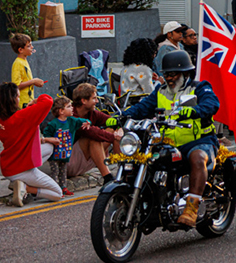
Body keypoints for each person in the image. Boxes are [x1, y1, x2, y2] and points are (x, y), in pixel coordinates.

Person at [111, 50, 219, 227]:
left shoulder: (200, 87)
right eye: (166, 74)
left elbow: (212, 103)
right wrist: (121, 116)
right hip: (168, 142)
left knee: (198, 157)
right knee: (147, 160)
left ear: (185, 73)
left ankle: (191, 208)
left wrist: (194, 111)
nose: (169, 78)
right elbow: (143, 107)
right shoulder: (160, 91)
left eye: (173, 74)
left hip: (199, 141)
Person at [0, 85, 63, 207]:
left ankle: (20, 183)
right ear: (13, 100)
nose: (19, 99)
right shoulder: (25, 116)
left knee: (48, 148)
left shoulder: (2, 121)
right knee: (57, 193)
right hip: (22, 170)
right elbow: (48, 100)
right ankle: (25, 187)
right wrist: (36, 100)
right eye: (18, 96)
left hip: (8, 167)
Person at [68, 83, 122, 183]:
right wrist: (114, 137)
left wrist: (119, 127)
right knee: (94, 138)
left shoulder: (92, 113)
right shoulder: (71, 115)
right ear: (84, 101)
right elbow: (92, 132)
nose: (97, 101)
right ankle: (107, 177)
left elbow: (111, 121)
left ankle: (122, 170)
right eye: (94, 98)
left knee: (113, 130)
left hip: (84, 160)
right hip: (68, 163)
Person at [43, 96, 90, 196]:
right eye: (69, 106)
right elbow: (46, 135)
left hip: (65, 153)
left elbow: (84, 120)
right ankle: (55, 189)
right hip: (54, 155)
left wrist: (87, 123)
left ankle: (63, 187)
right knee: (55, 172)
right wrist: (51, 139)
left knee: (63, 171)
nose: (72, 108)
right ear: (61, 111)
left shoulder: (72, 121)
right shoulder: (53, 124)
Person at [9, 33, 44, 108]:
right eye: (28, 46)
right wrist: (33, 81)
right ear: (20, 50)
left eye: (31, 45)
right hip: (22, 103)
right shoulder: (18, 63)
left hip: (28, 101)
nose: (32, 47)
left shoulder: (24, 61)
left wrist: (34, 82)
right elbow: (16, 85)